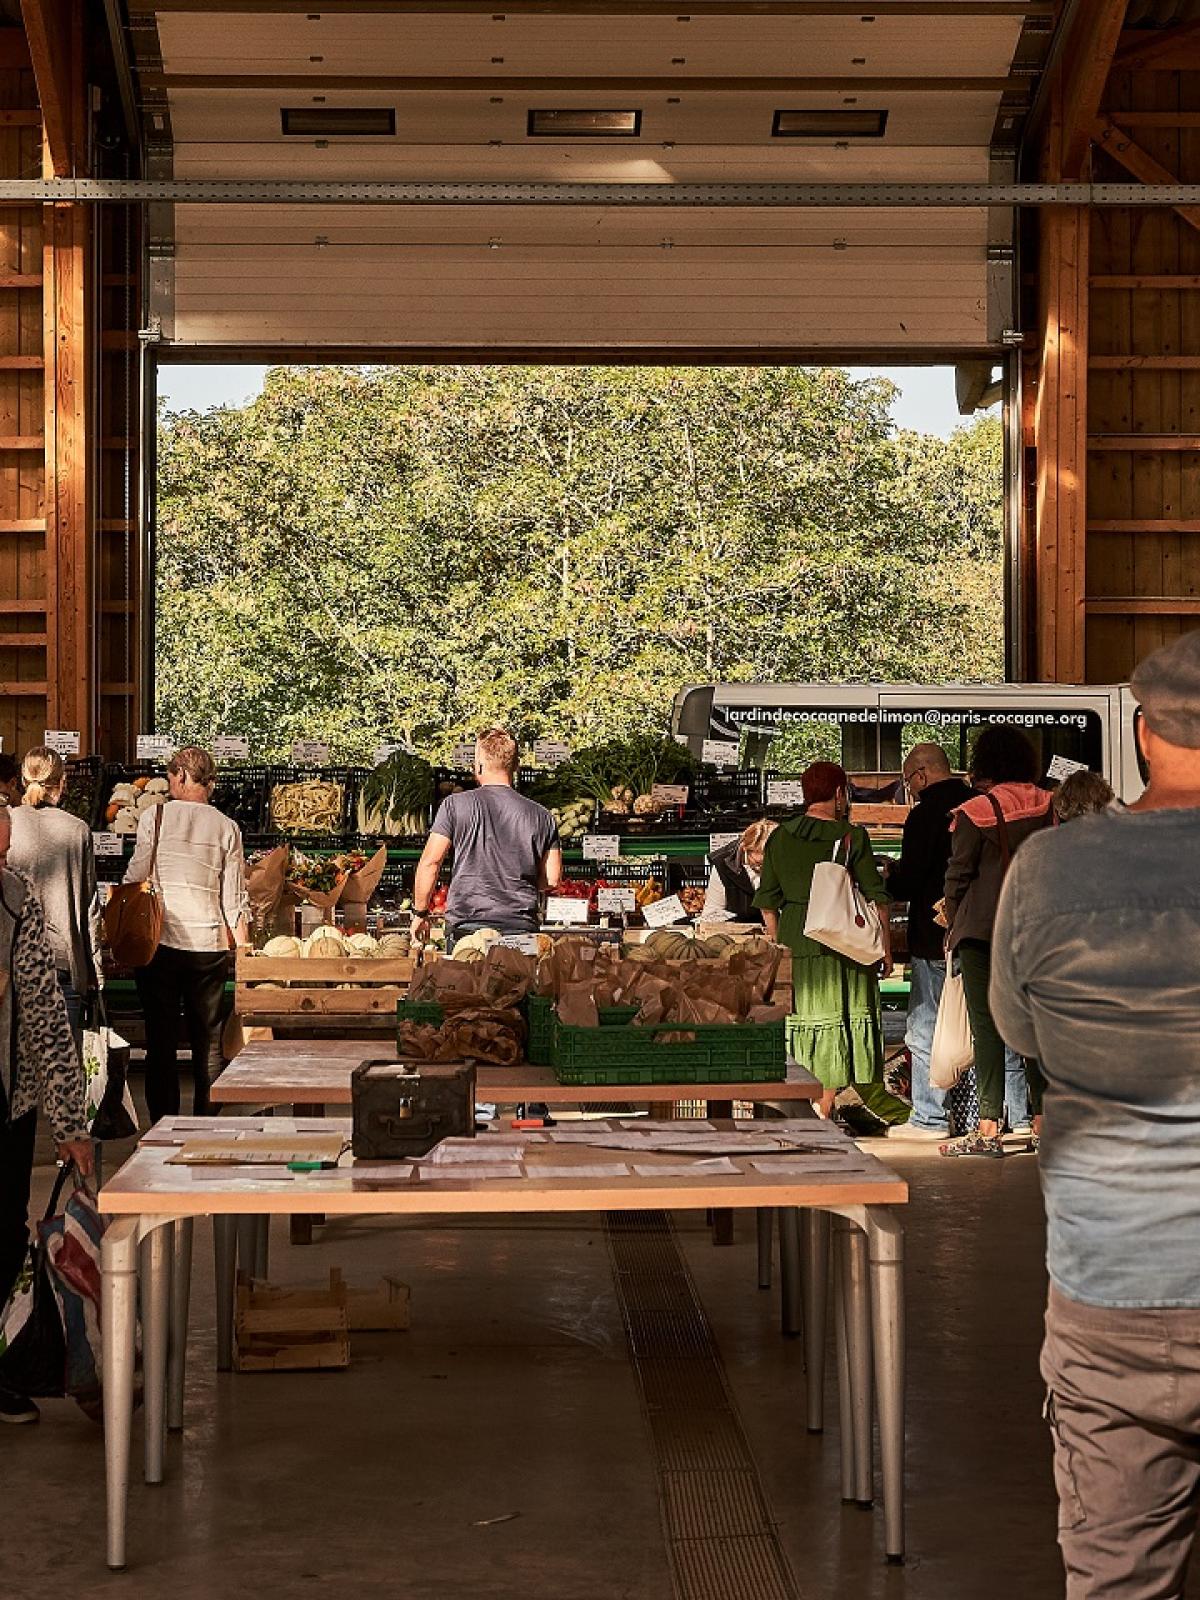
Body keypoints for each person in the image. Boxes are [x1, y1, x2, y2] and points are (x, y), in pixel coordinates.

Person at [990, 629, 1200, 1597]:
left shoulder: (1048, 869)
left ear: (1144, 733)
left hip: (1113, 1283)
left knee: (1118, 1572)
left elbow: (1019, 1030)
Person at [0, 803, 93, 1425]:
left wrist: (70, 1123)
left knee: (6, 1233)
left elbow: (43, 1014)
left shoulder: (16, 899)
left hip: (6, 1097)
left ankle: (2, 1371)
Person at [753, 761, 891, 1119]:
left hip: (796, 937)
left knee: (805, 1020)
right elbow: (877, 898)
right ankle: (825, 1107)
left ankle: (809, 1102)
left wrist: (780, 948)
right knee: (839, 1019)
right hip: (843, 942)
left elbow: (767, 903)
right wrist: (885, 949)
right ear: (840, 793)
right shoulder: (851, 836)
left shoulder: (779, 837)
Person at [939, 725, 1052, 1159]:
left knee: (987, 1028)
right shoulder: (1050, 806)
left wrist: (951, 918)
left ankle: (988, 1128)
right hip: (1036, 930)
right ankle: (1042, 1123)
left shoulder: (976, 811)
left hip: (983, 932)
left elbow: (958, 874)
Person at [124, 746, 249, 1122]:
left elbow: (136, 875)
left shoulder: (155, 816)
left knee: (160, 1040)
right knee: (208, 1042)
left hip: (159, 943)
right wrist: (246, 954)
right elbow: (234, 900)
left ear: (180, 776)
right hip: (208, 945)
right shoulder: (227, 827)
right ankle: (204, 1127)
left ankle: (164, 1129)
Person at [879, 743, 971, 1141]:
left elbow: (913, 878)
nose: (910, 789)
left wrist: (890, 877)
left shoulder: (924, 815)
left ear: (921, 774)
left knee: (925, 1025)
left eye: (908, 781)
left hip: (933, 939)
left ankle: (929, 1118)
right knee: (976, 1025)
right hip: (976, 936)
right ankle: (989, 1115)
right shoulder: (979, 805)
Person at [412, 728, 562, 951]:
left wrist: (420, 912)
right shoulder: (542, 816)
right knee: (518, 975)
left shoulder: (454, 805)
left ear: (479, 765)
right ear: (516, 766)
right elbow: (552, 879)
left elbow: (430, 864)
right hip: (520, 928)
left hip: (467, 928)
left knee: (468, 972)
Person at [7, 746, 102, 1050]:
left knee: (14, 1062)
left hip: (12, 960)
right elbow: (89, 907)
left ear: (22, 780)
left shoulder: (6, 824)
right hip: (61, 959)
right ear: (62, 783)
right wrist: (96, 972)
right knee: (62, 1063)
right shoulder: (77, 831)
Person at [700, 818, 776, 923]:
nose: (765, 869)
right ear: (745, 849)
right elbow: (712, 914)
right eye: (759, 863)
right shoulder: (723, 864)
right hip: (737, 927)